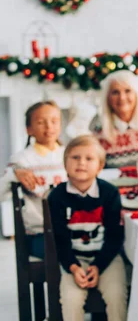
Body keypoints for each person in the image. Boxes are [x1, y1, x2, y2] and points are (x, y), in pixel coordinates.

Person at [48, 135, 127, 321]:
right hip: (74, 260)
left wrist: (98, 266)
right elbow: (59, 239)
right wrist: (74, 268)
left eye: (89, 158)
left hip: (106, 259)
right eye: (75, 157)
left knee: (117, 296)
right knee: (70, 300)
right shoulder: (57, 197)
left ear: (100, 166)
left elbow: (115, 236)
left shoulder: (110, 193)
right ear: (65, 163)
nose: (81, 163)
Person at [0, 100, 67, 258]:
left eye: (54, 121)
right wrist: (14, 173)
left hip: (72, 228)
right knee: (65, 251)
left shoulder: (71, 155)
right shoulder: (22, 160)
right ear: (29, 129)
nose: (49, 127)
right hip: (39, 233)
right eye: (40, 122)